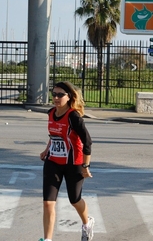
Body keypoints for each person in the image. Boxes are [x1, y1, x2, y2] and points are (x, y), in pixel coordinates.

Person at [39, 81, 95, 241]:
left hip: (73, 163)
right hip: (53, 162)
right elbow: (54, 136)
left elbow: (87, 141)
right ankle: (47, 239)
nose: (56, 98)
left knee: (74, 199)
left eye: (60, 95)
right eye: (54, 94)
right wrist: (46, 150)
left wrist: (85, 165)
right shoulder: (51, 113)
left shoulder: (73, 116)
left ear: (69, 97)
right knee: (48, 203)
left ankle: (87, 223)